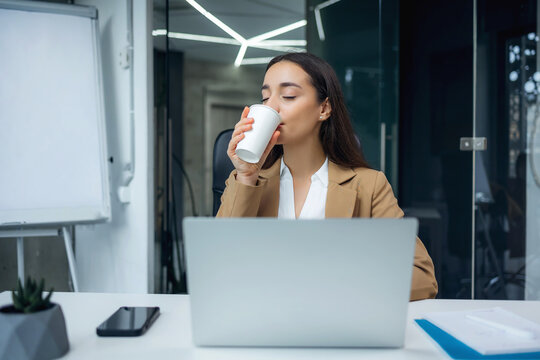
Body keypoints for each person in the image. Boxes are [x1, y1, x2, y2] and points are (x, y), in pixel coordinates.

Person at [217, 52, 437, 301]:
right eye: (265, 97)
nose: (272, 107)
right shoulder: (248, 182)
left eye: (288, 95)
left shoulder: (369, 185)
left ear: (324, 108)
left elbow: (421, 276)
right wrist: (246, 176)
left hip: (336, 323)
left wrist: (339, 284)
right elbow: (219, 265)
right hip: (263, 320)